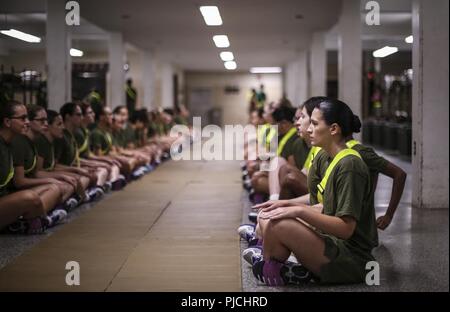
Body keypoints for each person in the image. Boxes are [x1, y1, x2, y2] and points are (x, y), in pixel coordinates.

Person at [252, 99, 377, 286]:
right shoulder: (323, 156)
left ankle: (283, 266)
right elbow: (323, 206)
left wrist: (299, 211)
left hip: (351, 259)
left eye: (315, 124)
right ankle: (288, 266)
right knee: (268, 216)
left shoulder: (350, 165)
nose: (308, 129)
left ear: (333, 129)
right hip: (329, 240)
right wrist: (285, 204)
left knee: (278, 224)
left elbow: (345, 228)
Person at [0, 101, 63, 234]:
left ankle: (27, 222)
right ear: (7, 122)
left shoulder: (10, 143)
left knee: (53, 188)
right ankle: (42, 220)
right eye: (23, 118)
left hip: (6, 198)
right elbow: (19, 181)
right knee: (30, 197)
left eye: (28, 118)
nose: (27, 122)